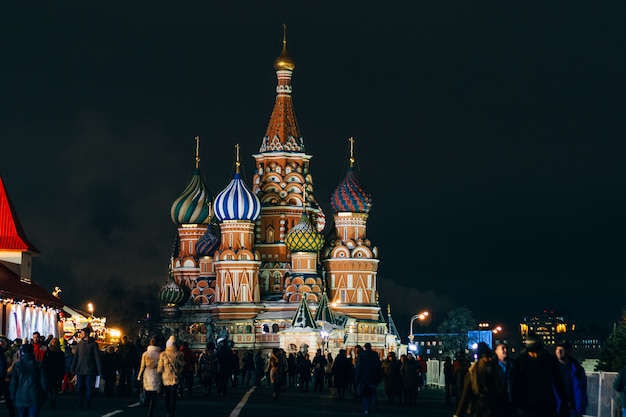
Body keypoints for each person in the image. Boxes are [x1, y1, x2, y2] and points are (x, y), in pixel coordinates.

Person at [511, 332, 569, 417]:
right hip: (528, 406)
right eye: (532, 352)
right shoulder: (520, 362)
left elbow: (559, 382)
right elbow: (515, 385)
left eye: (537, 351)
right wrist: (517, 406)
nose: (535, 355)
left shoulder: (550, 360)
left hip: (547, 406)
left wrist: (564, 401)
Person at [454, 342, 505, 417]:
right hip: (481, 409)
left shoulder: (493, 371)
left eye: (490, 357)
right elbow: (466, 395)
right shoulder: (473, 373)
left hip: (489, 408)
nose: (490, 359)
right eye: (487, 357)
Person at [9, 343, 48, 417]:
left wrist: (12, 395)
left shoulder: (17, 365)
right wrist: (44, 396)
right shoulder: (39, 365)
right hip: (35, 395)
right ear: (32, 352)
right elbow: (44, 383)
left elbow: (13, 383)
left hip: (20, 396)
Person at [70, 327, 102, 410]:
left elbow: (97, 358)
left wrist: (100, 370)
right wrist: (73, 367)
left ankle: (87, 404)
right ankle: (80, 401)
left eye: (82, 333)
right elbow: (76, 357)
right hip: (80, 369)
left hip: (90, 370)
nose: (81, 334)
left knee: (89, 387)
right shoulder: (80, 344)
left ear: (86, 334)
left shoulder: (93, 344)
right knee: (79, 387)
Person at [554, 340, 587, 417]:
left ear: (568, 351)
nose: (559, 352)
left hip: (572, 408)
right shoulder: (551, 368)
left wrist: (581, 407)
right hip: (555, 408)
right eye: (557, 349)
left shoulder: (577, 369)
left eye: (562, 350)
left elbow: (582, 390)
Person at [157, 336, 184, 417]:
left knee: (167, 396)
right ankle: (172, 412)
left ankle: (167, 411)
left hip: (166, 377)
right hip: (175, 377)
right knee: (173, 396)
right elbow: (181, 366)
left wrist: (159, 373)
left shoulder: (163, 354)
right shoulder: (179, 354)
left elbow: (160, 368)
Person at [355, 342, 381, 414]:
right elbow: (378, 368)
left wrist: (357, 379)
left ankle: (366, 409)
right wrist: (378, 378)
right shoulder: (375, 356)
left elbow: (359, 368)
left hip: (363, 378)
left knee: (365, 394)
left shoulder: (361, 356)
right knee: (373, 392)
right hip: (373, 378)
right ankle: (374, 404)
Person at [137, 338, 161, 417]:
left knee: (147, 391)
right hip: (156, 373)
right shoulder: (159, 354)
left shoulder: (145, 354)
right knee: (154, 394)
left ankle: (147, 405)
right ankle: (151, 410)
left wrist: (139, 375)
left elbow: (142, 366)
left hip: (147, 372)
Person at [42, 337, 65, 408]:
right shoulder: (48, 352)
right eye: (52, 342)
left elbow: (63, 364)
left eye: (55, 342)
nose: (53, 343)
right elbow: (44, 362)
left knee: (55, 388)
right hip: (49, 371)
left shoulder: (60, 353)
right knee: (49, 387)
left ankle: (53, 399)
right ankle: (52, 398)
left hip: (56, 372)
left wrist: (62, 373)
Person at [494, 343, 516, 416]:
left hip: (512, 401)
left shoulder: (514, 365)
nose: (505, 350)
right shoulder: (492, 366)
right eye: (503, 348)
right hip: (497, 402)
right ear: (496, 351)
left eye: (506, 348)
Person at [0, 336, 15, 417]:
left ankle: (12, 412)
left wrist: (6, 374)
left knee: (8, 398)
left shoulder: (11, 352)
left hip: (7, 379)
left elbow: (13, 364)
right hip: (2, 378)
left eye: (2, 341)